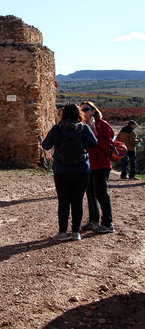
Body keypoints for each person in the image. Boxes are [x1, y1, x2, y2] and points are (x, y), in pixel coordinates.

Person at [41, 103, 97, 241]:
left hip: (62, 170)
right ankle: (76, 232)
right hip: (82, 170)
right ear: (79, 114)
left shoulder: (57, 129)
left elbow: (46, 145)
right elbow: (94, 143)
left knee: (64, 201)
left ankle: (62, 232)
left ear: (64, 113)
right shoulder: (84, 128)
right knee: (78, 201)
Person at [79, 100, 116, 234]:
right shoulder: (83, 125)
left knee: (101, 193)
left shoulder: (103, 125)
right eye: (81, 109)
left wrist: (95, 132)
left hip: (101, 164)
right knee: (90, 193)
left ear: (94, 111)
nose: (84, 112)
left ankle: (108, 223)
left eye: (86, 109)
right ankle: (93, 220)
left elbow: (107, 145)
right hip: (89, 164)